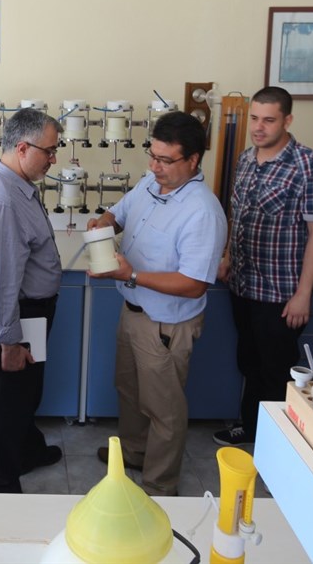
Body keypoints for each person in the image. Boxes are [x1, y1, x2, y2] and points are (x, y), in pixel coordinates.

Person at [86, 112, 226, 496]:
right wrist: (103, 224)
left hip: (166, 324)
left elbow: (194, 284)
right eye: (153, 156)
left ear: (192, 160)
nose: (154, 166)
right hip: (132, 312)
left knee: (164, 408)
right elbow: (119, 213)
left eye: (165, 160)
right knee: (129, 390)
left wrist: (130, 274)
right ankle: (135, 452)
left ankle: (160, 484)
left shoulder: (202, 211)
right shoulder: (152, 182)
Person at [215, 86, 313, 446]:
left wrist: (303, 294)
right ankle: (252, 429)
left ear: (287, 120)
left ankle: (276, 445)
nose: (258, 127)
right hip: (243, 285)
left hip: (281, 293)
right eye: (254, 118)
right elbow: (238, 215)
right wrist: (228, 256)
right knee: (249, 362)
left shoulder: (309, 166)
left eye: (268, 120)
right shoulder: (246, 160)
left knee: (275, 371)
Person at [0, 107, 64, 493]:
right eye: (49, 151)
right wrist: (9, 342)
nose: (54, 159)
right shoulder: (4, 200)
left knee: (25, 394)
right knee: (7, 402)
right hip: (18, 316)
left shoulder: (16, 184)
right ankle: (0, 483)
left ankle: (27, 451)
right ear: (23, 148)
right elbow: (2, 279)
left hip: (30, 315)